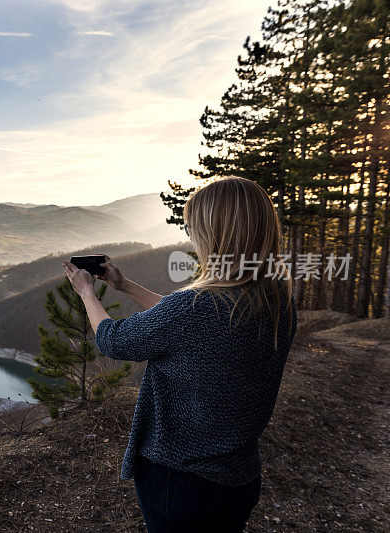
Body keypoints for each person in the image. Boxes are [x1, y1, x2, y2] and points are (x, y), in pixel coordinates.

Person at [62, 177, 297, 532]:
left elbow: (113, 340)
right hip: (239, 477)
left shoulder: (195, 308)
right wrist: (124, 285)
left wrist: (87, 294)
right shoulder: (277, 300)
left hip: (180, 479)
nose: (191, 237)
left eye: (193, 228)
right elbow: (188, 324)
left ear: (215, 234)